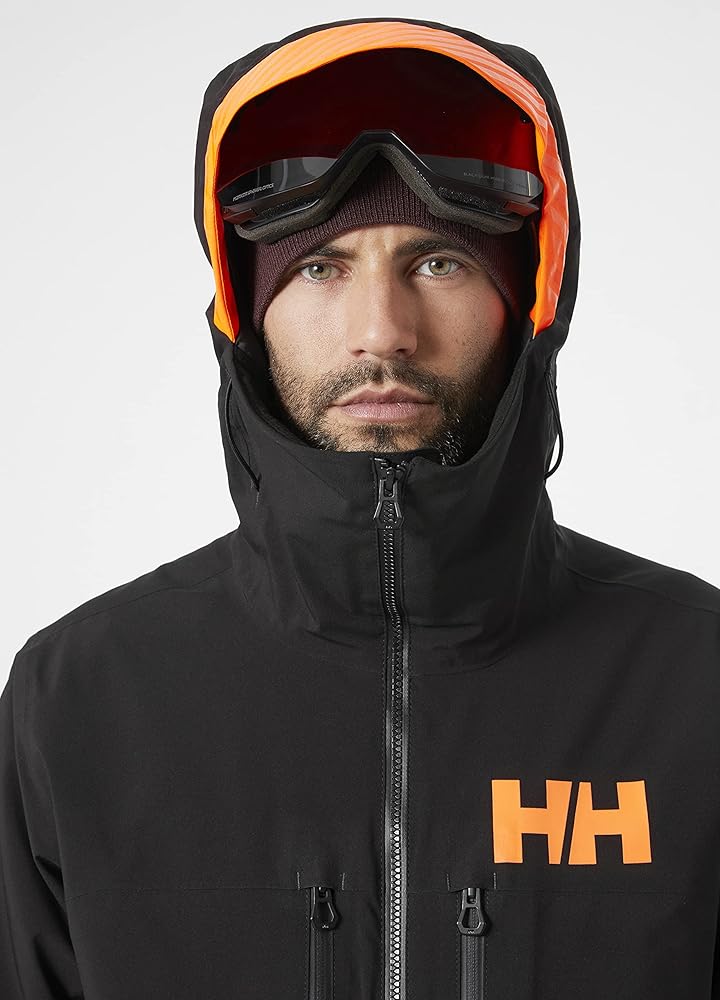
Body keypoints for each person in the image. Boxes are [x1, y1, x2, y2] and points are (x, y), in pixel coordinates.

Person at [1, 15, 719, 1000]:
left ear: (530, 306)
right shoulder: (80, 704)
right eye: (320, 267)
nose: (381, 332)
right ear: (246, 315)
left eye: (439, 262)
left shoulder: (696, 685)